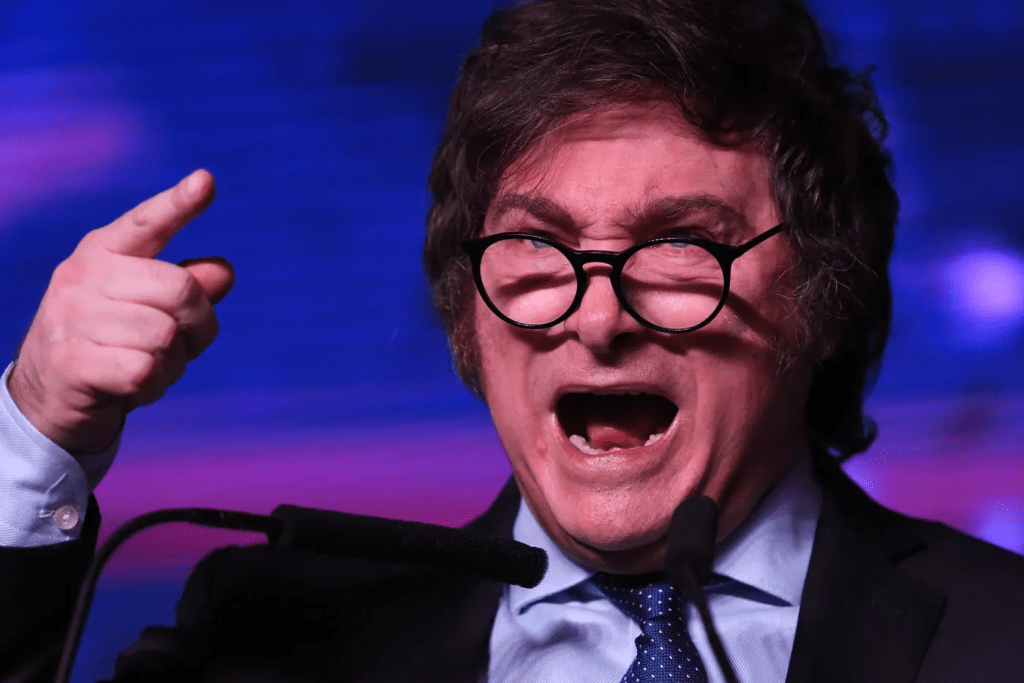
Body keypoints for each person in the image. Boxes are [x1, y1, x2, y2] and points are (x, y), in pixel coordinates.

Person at [2, 0, 1023, 681]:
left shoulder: (1002, 633)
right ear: (468, 315)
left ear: (822, 296)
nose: (598, 318)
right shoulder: (267, 632)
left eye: (681, 246)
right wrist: (42, 426)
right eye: (536, 247)